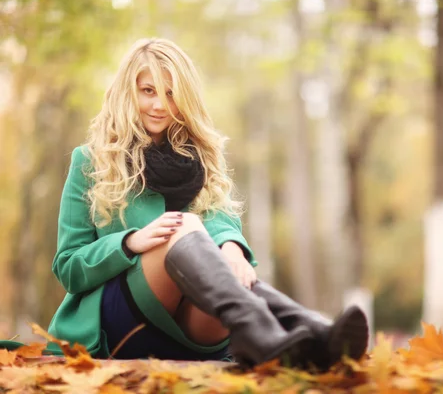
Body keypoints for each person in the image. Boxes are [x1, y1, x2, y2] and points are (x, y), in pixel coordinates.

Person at [46, 37, 368, 369]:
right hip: (120, 325)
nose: (159, 105)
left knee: (217, 252)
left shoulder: (198, 158)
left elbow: (218, 219)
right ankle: (302, 326)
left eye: (171, 94)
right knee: (184, 225)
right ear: (128, 92)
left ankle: (286, 337)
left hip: (190, 331)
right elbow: (68, 266)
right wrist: (128, 243)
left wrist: (230, 246)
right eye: (148, 91)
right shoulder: (90, 161)